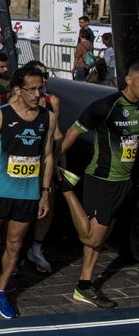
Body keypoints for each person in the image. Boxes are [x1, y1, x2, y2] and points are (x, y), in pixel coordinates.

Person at [59, 60, 139, 308]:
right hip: (102, 179)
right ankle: (67, 190)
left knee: (100, 239)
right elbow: (73, 131)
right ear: (129, 79)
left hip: (124, 181)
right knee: (92, 239)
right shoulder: (106, 106)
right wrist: (51, 165)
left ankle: (84, 285)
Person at [0, 66, 55, 319]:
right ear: (17, 90)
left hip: (28, 192)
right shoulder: (1, 115)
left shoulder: (48, 117)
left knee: (14, 245)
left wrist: (44, 192)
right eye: (31, 89)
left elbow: (47, 155)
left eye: (40, 89)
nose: (37, 94)